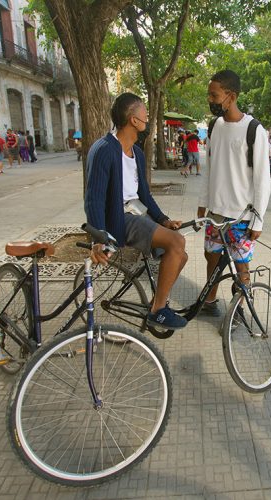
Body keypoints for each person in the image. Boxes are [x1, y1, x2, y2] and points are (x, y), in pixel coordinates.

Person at [85, 92, 188, 329]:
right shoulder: (104, 149)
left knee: (180, 254)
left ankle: (157, 302)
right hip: (119, 218)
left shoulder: (137, 153)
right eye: (144, 113)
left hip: (136, 212)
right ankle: (159, 310)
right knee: (176, 242)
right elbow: (94, 199)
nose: (147, 117)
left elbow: (145, 195)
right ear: (133, 119)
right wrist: (98, 238)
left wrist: (163, 219)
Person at [198, 69, 271, 316]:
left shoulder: (254, 130)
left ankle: (242, 304)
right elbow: (210, 169)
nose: (210, 100)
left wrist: (258, 220)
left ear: (231, 96)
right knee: (211, 257)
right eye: (209, 94)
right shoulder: (213, 127)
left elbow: (263, 179)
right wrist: (202, 205)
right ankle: (209, 301)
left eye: (214, 95)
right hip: (215, 212)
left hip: (241, 215)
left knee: (242, 264)